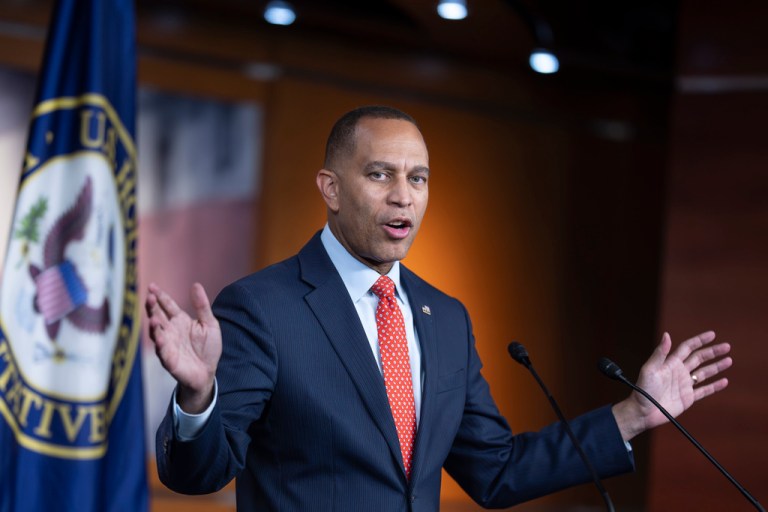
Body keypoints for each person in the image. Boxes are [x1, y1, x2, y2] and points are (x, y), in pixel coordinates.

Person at [146, 106, 732, 511]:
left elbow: (496, 470)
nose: (403, 195)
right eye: (380, 174)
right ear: (331, 188)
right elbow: (198, 474)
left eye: (418, 178)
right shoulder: (262, 307)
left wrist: (632, 415)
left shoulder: (445, 317)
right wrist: (198, 397)